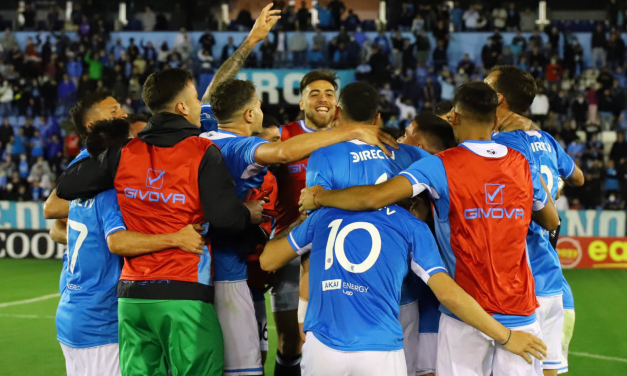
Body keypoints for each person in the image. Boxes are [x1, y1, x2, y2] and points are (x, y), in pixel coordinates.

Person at [300, 82, 559, 376]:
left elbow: (373, 197)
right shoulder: (522, 164)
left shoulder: (441, 166)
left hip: (465, 313)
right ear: (494, 120)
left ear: (456, 118)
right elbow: (551, 221)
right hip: (520, 311)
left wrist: (320, 196)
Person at [55, 68, 265, 376]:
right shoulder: (202, 151)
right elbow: (225, 219)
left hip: (133, 299)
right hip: (184, 291)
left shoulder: (126, 152)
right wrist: (248, 213)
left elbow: (67, 187)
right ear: (182, 107)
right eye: (195, 99)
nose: (198, 106)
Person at [200, 79, 395, 376]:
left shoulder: (200, 133)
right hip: (249, 261)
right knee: (255, 358)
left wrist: (252, 41)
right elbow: (282, 153)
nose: (323, 98)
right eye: (259, 106)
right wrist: (353, 130)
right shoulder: (250, 144)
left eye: (330, 93)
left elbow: (205, 97)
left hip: (201, 266)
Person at [302, 82, 453, 376]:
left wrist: (302, 306)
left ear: (337, 113)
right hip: (402, 290)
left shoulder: (323, 156)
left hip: (342, 295)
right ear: (378, 118)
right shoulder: (410, 154)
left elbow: (315, 236)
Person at [54, 117, 205, 376]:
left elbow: (57, 226)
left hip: (72, 314)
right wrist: (176, 238)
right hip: (100, 322)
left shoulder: (80, 194)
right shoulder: (110, 194)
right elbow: (117, 241)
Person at [486, 65, 585, 376]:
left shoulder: (498, 145)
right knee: (548, 369)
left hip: (517, 280)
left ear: (499, 98)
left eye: (487, 85)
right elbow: (578, 177)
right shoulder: (544, 138)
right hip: (551, 277)